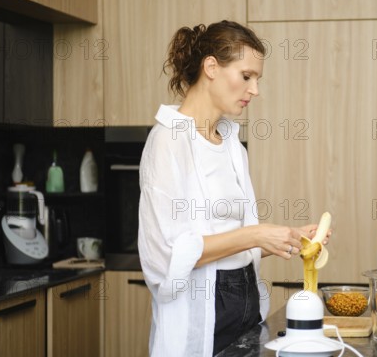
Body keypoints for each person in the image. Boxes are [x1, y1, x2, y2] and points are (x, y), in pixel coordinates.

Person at [138, 20, 330, 357]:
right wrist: (256, 235)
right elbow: (165, 258)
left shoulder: (231, 146)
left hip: (246, 305)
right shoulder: (168, 142)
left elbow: (231, 240)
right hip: (203, 320)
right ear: (211, 67)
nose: (254, 90)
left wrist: (288, 237)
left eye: (257, 79)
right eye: (246, 76)